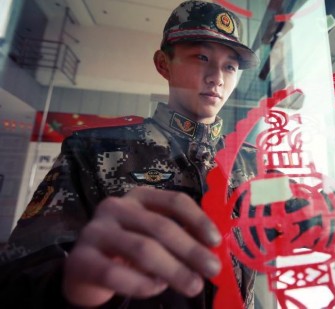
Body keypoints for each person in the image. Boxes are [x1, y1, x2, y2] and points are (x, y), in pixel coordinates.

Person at [0, 1, 260, 308]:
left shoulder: (250, 161)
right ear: (164, 64)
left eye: (230, 66)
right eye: (201, 57)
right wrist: (71, 284)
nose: (217, 77)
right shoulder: (96, 152)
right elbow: (18, 274)